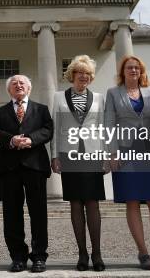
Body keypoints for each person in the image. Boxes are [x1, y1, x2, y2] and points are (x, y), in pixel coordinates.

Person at [104, 55, 150, 270]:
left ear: (141, 71)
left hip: (149, 151)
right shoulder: (113, 93)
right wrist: (112, 153)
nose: (133, 70)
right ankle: (143, 253)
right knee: (132, 201)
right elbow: (109, 124)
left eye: (136, 67)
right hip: (125, 152)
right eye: (129, 67)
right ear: (123, 72)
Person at [0, 75, 54, 273]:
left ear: (29, 88)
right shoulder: (0, 112)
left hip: (35, 165)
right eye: (14, 84)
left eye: (22, 83)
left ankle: (39, 256)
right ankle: (17, 256)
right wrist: (12, 140)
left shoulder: (41, 109)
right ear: (9, 90)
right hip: (9, 167)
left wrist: (31, 139)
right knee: (11, 214)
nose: (18, 85)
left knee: (38, 213)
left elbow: (48, 130)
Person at [50, 55, 106, 272]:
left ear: (91, 77)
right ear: (72, 74)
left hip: (93, 154)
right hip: (69, 153)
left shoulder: (99, 98)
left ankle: (97, 253)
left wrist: (106, 156)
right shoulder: (58, 97)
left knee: (92, 202)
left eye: (88, 74)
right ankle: (82, 253)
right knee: (75, 203)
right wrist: (54, 156)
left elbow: (102, 129)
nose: (84, 76)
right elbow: (55, 127)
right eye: (80, 72)